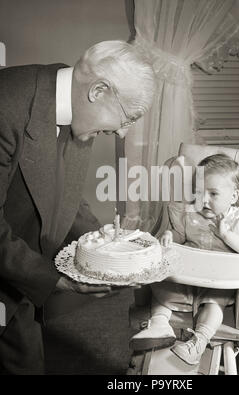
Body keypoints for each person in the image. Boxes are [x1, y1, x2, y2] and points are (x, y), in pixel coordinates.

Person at [0, 40, 156, 374]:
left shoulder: (71, 107)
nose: (121, 132)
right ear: (99, 90)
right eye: (127, 118)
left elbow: (64, 195)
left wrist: (109, 248)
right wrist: (57, 280)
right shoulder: (6, 105)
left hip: (19, 278)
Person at [130, 154, 239, 366]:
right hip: (188, 278)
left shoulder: (238, 221)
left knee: (215, 304)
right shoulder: (189, 214)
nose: (204, 200)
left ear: (234, 196)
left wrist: (227, 235)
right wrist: (170, 236)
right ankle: (159, 325)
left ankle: (198, 342)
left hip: (217, 282)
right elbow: (179, 237)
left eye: (213, 193)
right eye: (199, 192)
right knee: (161, 288)